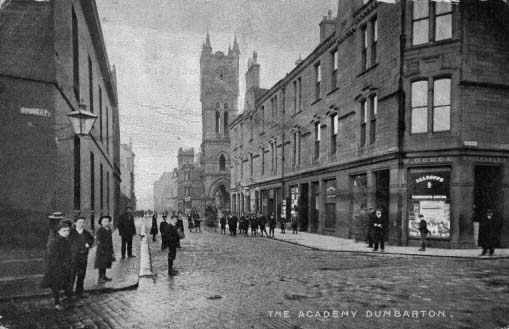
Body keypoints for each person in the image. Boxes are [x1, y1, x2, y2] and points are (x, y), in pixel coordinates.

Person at [41, 220, 73, 311]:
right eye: (64, 231)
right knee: (56, 285)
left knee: (66, 283)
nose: (67, 233)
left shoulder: (66, 240)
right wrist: (61, 264)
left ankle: (67, 300)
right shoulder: (54, 242)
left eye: (68, 231)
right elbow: (52, 257)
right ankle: (57, 303)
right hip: (55, 267)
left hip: (65, 266)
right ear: (58, 231)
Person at [69, 217, 94, 298]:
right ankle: (69, 293)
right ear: (75, 223)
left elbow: (91, 240)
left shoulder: (86, 233)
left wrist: (88, 244)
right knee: (71, 275)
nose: (82, 224)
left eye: (83, 222)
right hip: (73, 257)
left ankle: (79, 292)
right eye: (80, 222)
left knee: (81, 275)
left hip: (83, 257)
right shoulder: (71, 233)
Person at [94, 215, 115, 284]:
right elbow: (98, 241)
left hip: (108, 250)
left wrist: (112, 251)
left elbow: (110, 240)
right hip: (102, 250)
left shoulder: (109, 229)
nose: (107, 222)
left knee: (106, 263)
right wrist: (102, 250)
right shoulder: (100, 230)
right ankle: (100, 278)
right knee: (101, 264)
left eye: (108, 221)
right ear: (101, 222)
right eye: (105, 221)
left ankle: (104, 276)